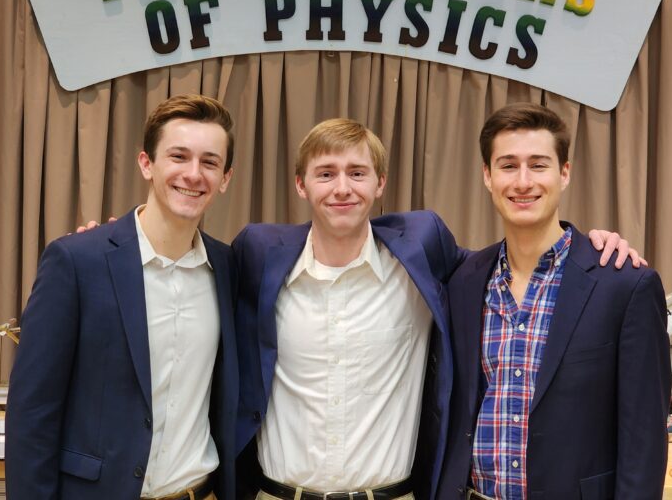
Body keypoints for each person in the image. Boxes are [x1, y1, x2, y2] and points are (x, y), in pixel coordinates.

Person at [233, 118, 642, 500]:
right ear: (301, 185)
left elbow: (511, 258)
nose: (342, 188)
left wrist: (591, 245)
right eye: (326, 174)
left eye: (357, 173)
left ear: (380, 184)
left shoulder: (421, 252)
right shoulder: (259, 255)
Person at [6, 95, 239, 500]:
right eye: (178, 156)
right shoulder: (77, 260)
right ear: (147, 163)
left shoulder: (229, 268)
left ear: (225, 178)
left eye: (209, 162)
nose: (193, 174)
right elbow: (32, 414)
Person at [438, 104, 671, 500]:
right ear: (487, 176)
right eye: (508, 165)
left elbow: (644, 442)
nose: (523, 181)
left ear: (564, 173)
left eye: (539, 165)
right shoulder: (463, 281)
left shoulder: (624, 285)